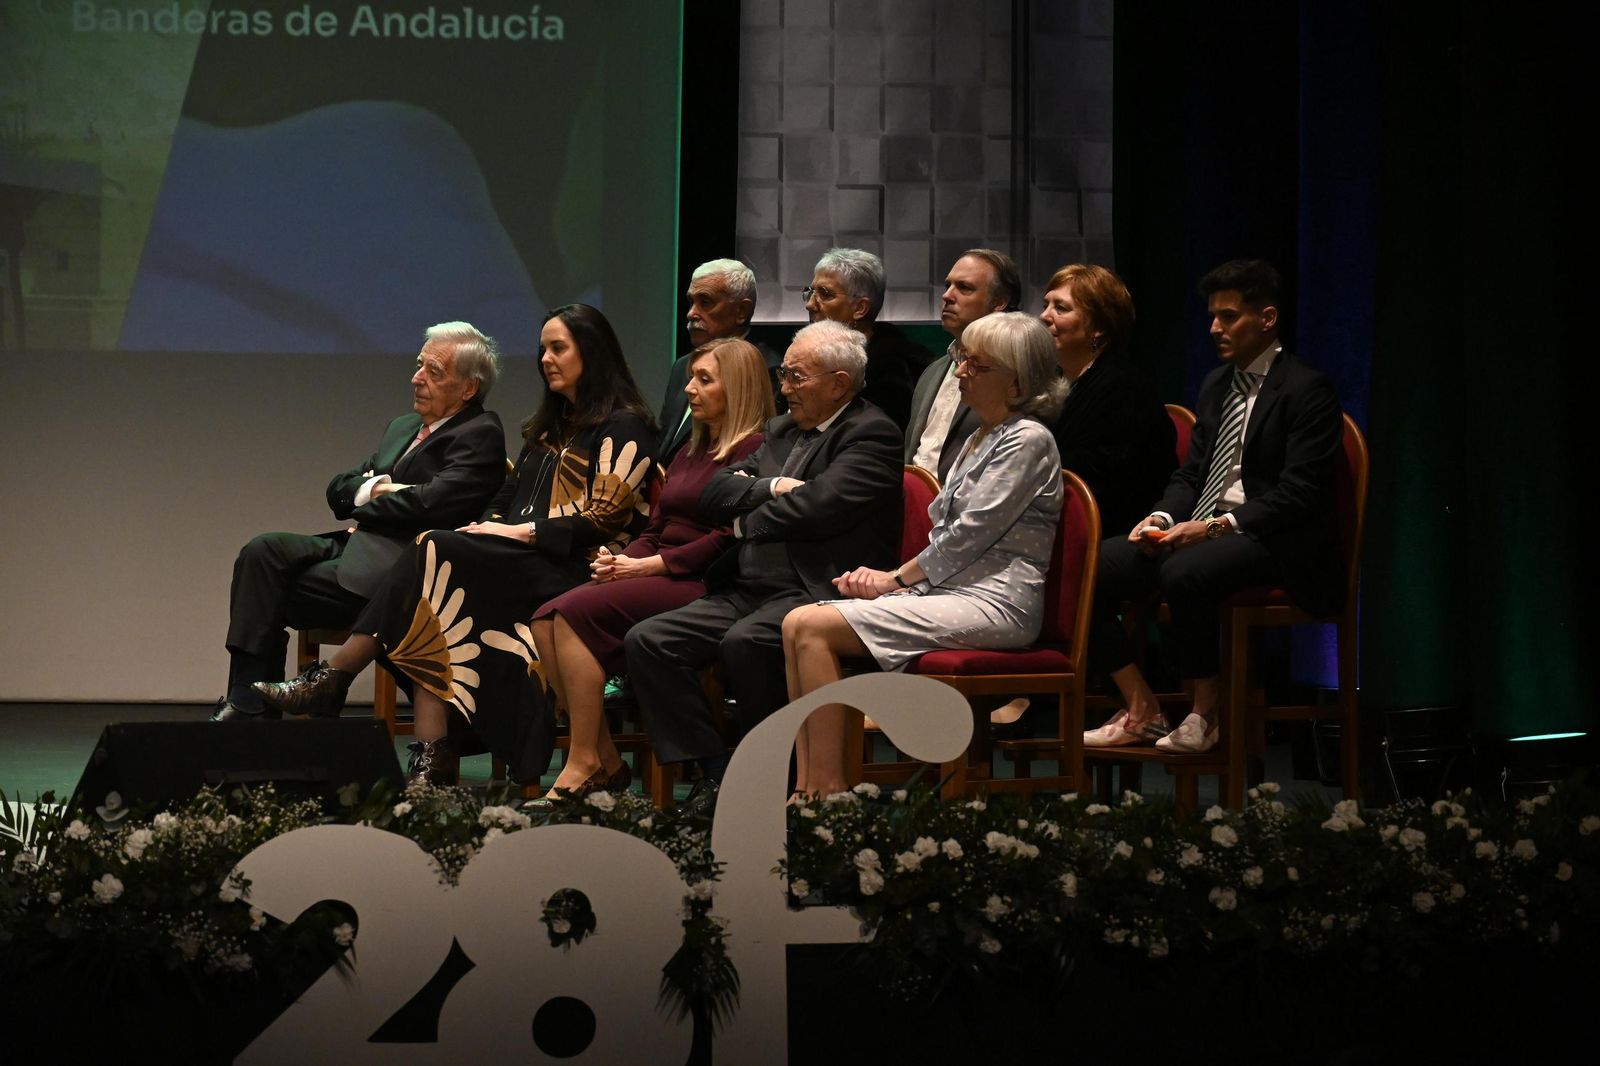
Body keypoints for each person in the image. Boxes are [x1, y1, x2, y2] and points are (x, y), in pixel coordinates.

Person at [254, 304, 657, 786]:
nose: (546, 358)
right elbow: (505, 498)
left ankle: (337, 680)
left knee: (431, 551)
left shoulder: (625, 424)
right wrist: (485, 527)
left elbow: (602, 517)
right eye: (543, 348)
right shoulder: (550, 426)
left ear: (591, 352)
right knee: (435, 585)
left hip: (576, 568)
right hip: (519, 560)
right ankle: (431, 758)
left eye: (559, 348)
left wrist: (513, 534)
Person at [781, 312, 1067, 797]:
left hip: (998, 602)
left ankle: (826, 792)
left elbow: (970, 535)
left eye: (975, 365)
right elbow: (947, 534)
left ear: (1014, 378)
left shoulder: (1029, 439)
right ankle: (808, 786)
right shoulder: (982, 436)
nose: (959, 374)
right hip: (952, 591)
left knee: (810, 626)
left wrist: (895, 580)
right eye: (961, 360)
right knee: (796, 623)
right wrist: (895, 579)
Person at [625, 319, 902, 810]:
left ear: (839, 382)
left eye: (797, 377)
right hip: (747, 586)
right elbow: (716, 492)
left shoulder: (871, 434)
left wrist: (743, 523)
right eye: (785, 376)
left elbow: (817, 508)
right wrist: (771, 487)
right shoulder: (779, 429)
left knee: (746, 643)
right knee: (651, 640)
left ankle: (775, 775)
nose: (786, 387)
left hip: (814, 589)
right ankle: (715, 770)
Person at [1083, 260, 1344, 754]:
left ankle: (1206, 713)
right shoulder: (1216, 384)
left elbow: (1299, 494)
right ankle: (1142, 706)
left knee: (1185, 570)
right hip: (1203, 529)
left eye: (1228, 317)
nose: (1214, 328)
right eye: (1212, 316)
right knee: (1090, 567)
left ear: (1266, 319)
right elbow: (1191, 474)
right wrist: (1162, 517)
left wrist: (1214, 528)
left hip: (1271, 537)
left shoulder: (1307, 389)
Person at [211, 322, 506, 722]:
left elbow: (430, 505)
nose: (416, 378)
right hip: (358, 546)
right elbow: (338, 489)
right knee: (263, 551)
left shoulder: (480, 433)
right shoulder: (402, 427)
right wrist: (384, 489)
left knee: (269, 592)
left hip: (400, 570)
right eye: (419, 365)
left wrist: (367, 494)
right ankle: (247, 697)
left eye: (433, 372)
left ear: (469, 388)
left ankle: (253, 708)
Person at [528, 338, 774, 799]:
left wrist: (650, 567)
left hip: (700, 580)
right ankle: (602, 758)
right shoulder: (690, 450)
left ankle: (584, 762)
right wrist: (623, 559)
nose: (690, 391)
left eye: (704, 380)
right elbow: (658, 525)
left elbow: (728, 537)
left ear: (737, 388)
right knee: (545, 619)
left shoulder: (754, 451)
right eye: (690, 380)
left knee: (569, 616)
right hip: (661, 570)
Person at [989, 265, 1178, 734]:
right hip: (1079, 524)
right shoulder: (1057, 385)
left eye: (1062, 307)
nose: (1045, 316)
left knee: (1054, 570)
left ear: (1098, 328)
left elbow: (1104, 479)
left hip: (1131, 529)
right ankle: (1023, 689)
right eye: (1046, 304)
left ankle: (1140, 702)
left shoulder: (1121, 386)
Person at [904, 249, 1022, 481]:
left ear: (999, 302)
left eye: (964, 288)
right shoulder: (933, 371)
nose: (947, 295)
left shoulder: (1010, 374)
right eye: (948, 285)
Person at [657, 259, 784, 459]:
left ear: (741, 311)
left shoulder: (766, 369)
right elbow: (665, 442)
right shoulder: (682, 365)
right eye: (691, 302)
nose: (691, 314)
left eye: (705, 302)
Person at [803, 247, 932, 430]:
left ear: (860, 308)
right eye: (810, 292)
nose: (810, 304)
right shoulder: (806, 354)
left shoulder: (889, 371)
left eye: (825, 294)